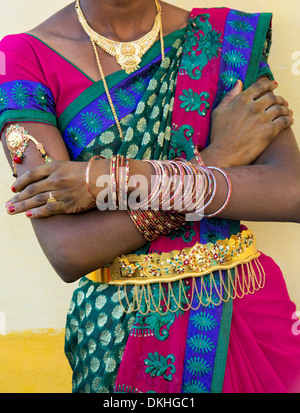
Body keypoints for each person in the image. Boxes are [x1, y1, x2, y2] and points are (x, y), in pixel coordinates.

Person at [1, 0, 300, 394]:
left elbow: (289, 193)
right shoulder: (22, 58)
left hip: (242, 311)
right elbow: (70, 251)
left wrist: (108, 180)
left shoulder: (223, 39)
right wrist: (217, 158)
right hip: (117, 333)